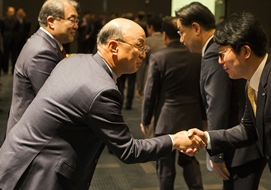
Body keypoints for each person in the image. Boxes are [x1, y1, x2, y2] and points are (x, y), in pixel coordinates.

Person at [0, 18, 202, 190]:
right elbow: (128, 150)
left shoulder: (75, 60)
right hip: (38, 175)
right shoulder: (101, 90)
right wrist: (175, 140)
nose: (144, 52)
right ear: (113, 46)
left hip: (18, 158)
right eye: (139, 46)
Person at [188, 12, 271, 190]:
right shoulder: (253, 80)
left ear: (246, 51)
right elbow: (247, 129)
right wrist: (207, 137)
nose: (220, 61)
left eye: (222, 54)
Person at [175, 2, 266, 190]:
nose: (182, 39)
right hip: (242, 139)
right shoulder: (214, 51)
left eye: (182, 32)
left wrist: (216, 154)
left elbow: (217, 105)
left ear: (196, 28)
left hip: (239, 146)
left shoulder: (213, 53)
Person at [141, 16, 204, 190]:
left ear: (165, 36)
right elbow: (203, 92)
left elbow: (150, 93)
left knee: (165, 167)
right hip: (192, 117)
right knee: (190, 160)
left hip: (166, 120)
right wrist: (204, 119)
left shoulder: (159, 57)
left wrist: (146, 120)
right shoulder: (198, 58)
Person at [5, 0, 80, 134]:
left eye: (77, 20)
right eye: (72, 20)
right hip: (29, 139)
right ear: (51, 21)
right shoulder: (42, 51)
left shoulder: (48, 43)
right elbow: (53, 103)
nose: (76, 25)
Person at [135, 15, 165, 99]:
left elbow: (141, 65)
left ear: (150, 27)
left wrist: (139, 87)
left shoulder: (147, 42)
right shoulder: (167, 40)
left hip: (150, 78)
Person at [0, 6, 18, 74]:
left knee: (14, 55)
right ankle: (5, 69)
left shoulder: (16, 21)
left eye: (13, 12)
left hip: (14, 39)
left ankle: (13, 69)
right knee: (5, 55)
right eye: (10, 12)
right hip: (6, 39)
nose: (11, 13)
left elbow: (17, 30)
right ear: (7, 12)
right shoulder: (3, 20)